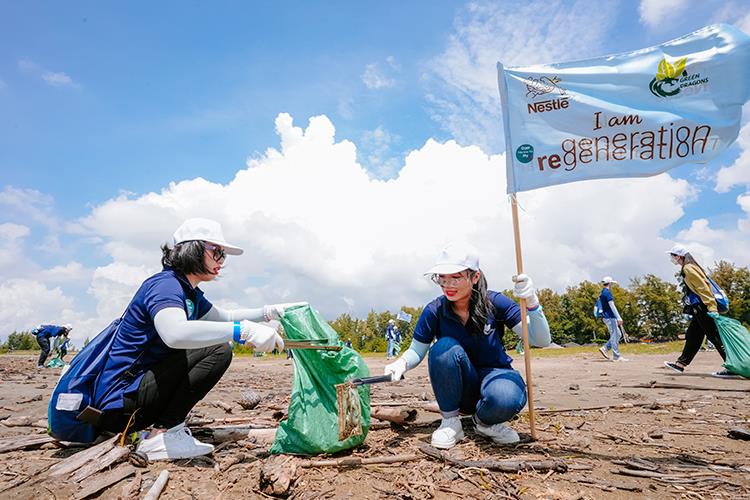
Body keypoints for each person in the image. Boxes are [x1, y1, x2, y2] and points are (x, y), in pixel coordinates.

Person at [93, 218, 306, 460]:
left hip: (134, 399)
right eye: (217, 252)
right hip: (119, 401)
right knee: (218, 349)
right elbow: (175, 333)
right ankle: (162, 434)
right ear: (191, 249)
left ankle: (161, 429)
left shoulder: (188, 291)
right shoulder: (165, 286)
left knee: (216, 342)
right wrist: (242, 332)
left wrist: (269, 312)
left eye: (223, 255)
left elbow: (223, 317)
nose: (221, 261)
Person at [383, 243, 551, 449]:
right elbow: (417, 350)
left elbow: (540, 340)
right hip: (460, 389)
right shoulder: (434, 310)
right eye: (442, 278)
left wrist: (532, 302)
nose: (447, 285)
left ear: (475, 277)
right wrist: (400, 364)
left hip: (496, 376)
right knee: (443, 347)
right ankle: (451, 422)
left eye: (455, 277)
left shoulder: (495, 302)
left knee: (506, 397)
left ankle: (485, 423)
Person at [663, 244, 732, 378]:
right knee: (693, 335)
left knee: (715, 337)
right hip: (699, 308)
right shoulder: (690, 267)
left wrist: (712, 308)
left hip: (703, 307)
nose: (672, 258)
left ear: (679, 256)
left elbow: (704, 288)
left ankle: (733, 366)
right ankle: (680, 364)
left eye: (673, 255)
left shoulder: (688, 268)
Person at [597, 277, 628, 362]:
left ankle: (605, 348)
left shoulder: (602, 292)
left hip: (607, 317)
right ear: (609, 283)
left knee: (618, 334)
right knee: (615, 335)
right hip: (610, 317)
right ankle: (616, 356)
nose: (612, 285)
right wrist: (619, 317)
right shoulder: (607, 293)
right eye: (612, 283)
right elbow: (612, 306)